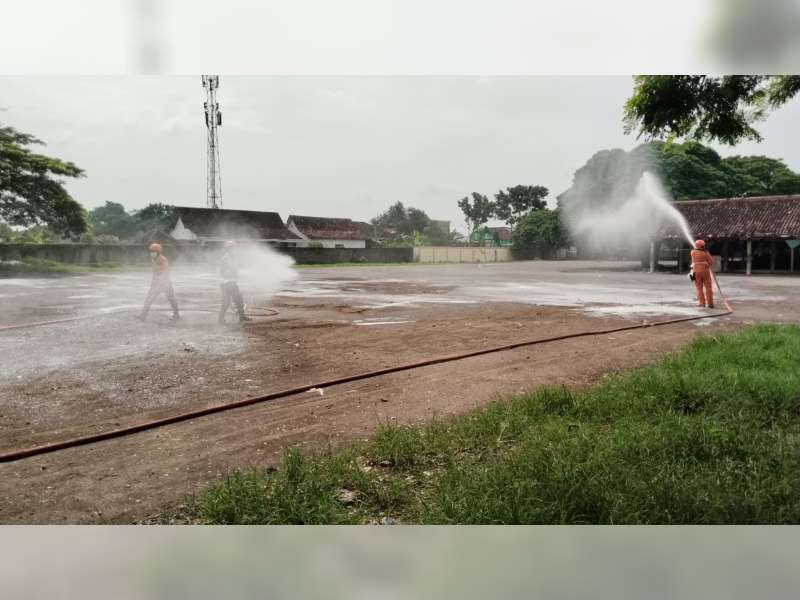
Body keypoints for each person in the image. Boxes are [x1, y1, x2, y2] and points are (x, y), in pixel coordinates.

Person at [138, 242, 180, 321]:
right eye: (151, 252)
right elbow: (155, 273)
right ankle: (143, 315)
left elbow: (165, 272)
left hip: (165, 283)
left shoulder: (163, 260)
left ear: (158, 252)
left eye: (153, 252)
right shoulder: (153, 259)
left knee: (171, 298)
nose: (151, 253)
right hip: (156, 283)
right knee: (149, 298)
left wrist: (160, 283)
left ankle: (176, 315)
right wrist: (153, 283)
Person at [218, 240, 251, 324]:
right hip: (227, 283)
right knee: (230, 301)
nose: (236, 250)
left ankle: (241, 317)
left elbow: (235, 269)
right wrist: (232, 273)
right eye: (234, 248)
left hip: (230, 282)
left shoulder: (232, 257)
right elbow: (223, 272)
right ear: (229, 249)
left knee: (236, 300)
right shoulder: (226, 258)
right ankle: (222, 319)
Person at [690, 239, 714, 309]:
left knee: (699, 288)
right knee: (708, 288)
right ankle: (710, 304)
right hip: (705, 271)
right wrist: (706, 264)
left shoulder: (692, 252)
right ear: (702, 246)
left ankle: (702, 303)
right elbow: (711, 262)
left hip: (696, 271)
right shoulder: (706, 253)